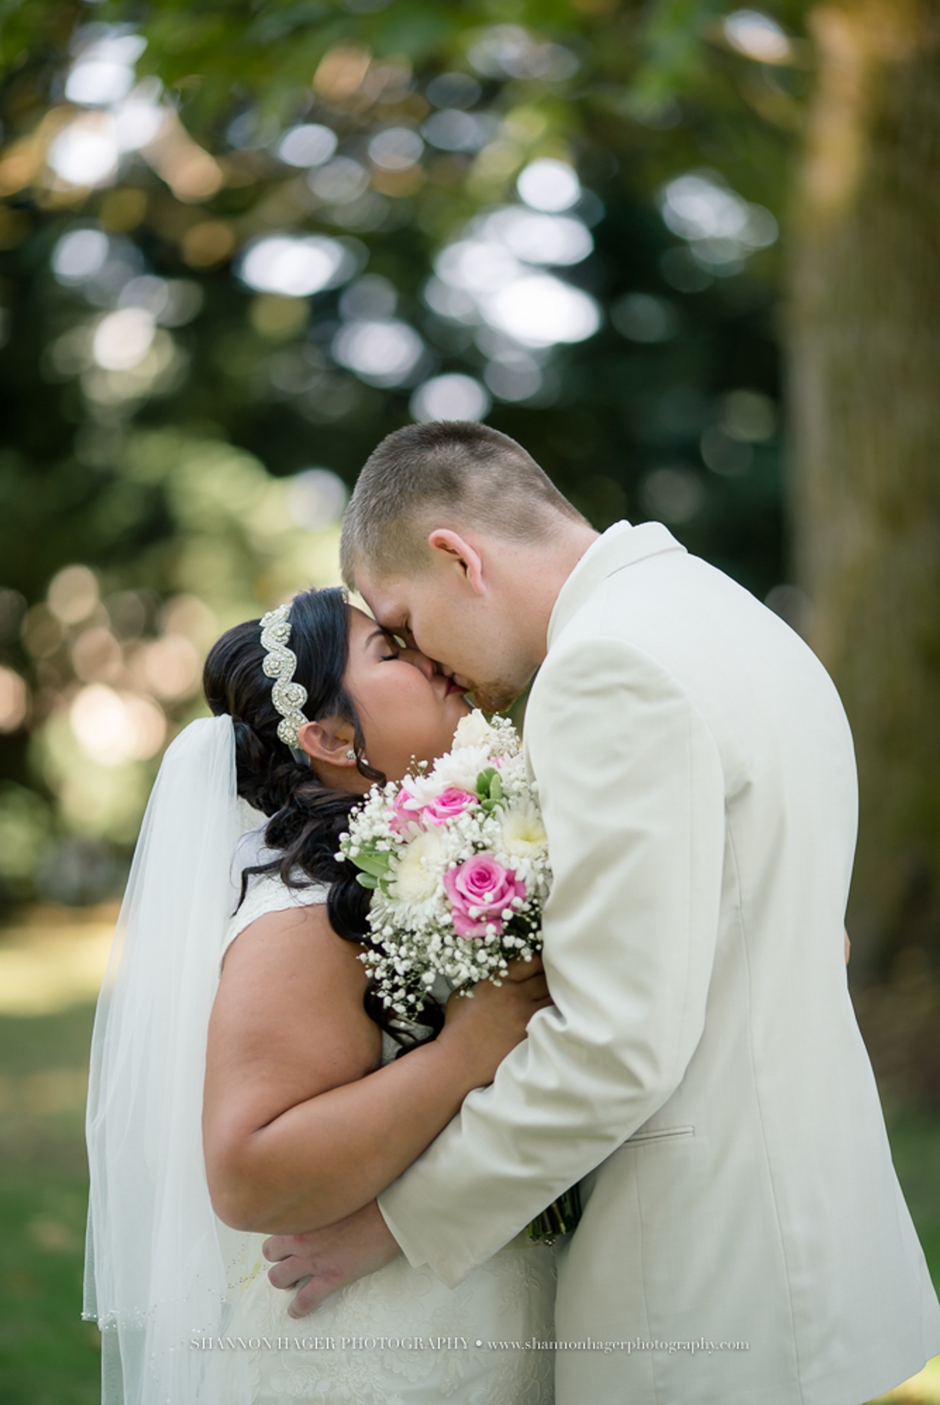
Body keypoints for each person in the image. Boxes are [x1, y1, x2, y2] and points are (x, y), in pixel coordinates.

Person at [262, 421, 940, 1405]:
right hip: (813, 1234)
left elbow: (615, 1041)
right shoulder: (725, 611)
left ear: (457, 556)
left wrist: (396, 1222)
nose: (428, 664)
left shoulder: (603, 670)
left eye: (405, 624)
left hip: (705, 1275)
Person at [82, 585, 556, 1405]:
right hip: (379, 1355)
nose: (430, 660)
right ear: (329, 735)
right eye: (391, 653)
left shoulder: (416, 863)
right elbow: (248, 1173)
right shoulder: (305, 912)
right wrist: (465, 1054)